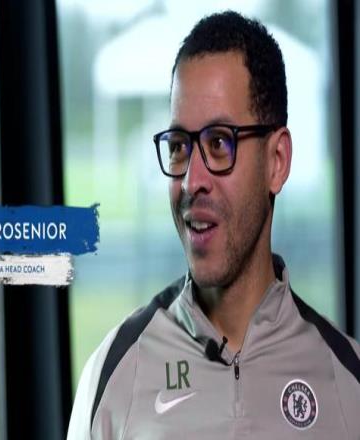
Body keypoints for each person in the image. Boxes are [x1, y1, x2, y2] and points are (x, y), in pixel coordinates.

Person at [67, 11, 360, 439]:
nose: (192, 181)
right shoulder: (114, 376)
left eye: (219, 143)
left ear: (277, 162)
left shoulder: (348, 383)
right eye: (179, 147)